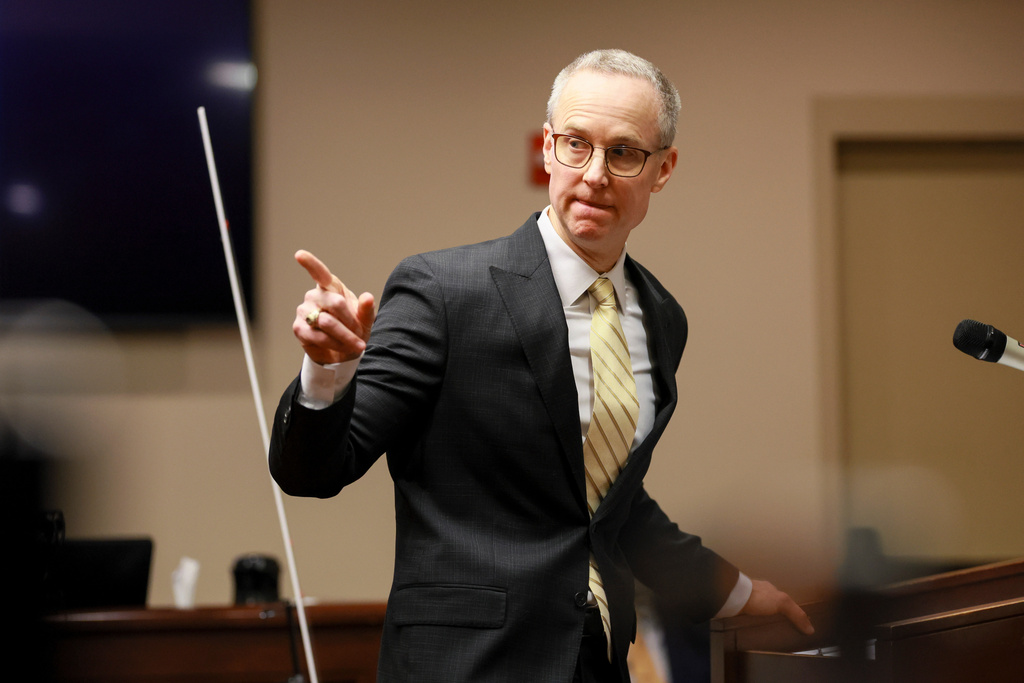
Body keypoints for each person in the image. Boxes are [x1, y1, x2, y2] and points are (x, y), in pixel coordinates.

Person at [270, 49, 812, 683]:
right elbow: (313, 470)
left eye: (624, 152)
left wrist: (740, 594)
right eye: (576, 145)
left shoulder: (662, 318)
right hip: (464, 665)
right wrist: (326, 373)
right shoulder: (445, 290)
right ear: (548, 148)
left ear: (663, 169)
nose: (595, 175)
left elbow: (612, 507)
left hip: (596, 659)